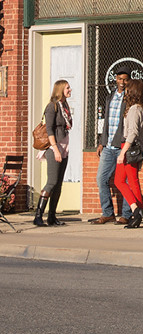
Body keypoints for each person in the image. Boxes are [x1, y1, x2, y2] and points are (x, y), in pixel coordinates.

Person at [93, 66, 133, 225]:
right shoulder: (110, 97)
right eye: (120, 79)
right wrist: (102, 142)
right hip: (108, 147)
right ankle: (108, 212)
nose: (122, 82)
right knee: (101, 179)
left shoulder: (129, 98)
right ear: (115, 79)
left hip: (122, 146)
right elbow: (107, 121)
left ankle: (126, 214)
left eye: (125, 79)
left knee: (125, 181)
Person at [34, 80, 73, 227]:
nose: (70, 90)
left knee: (58, 185)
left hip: (64, 147)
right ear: (60, 89)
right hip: (53, 147)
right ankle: (38, 215)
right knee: (52, 182)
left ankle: (52, 216)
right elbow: (49, 129)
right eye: (67, 88)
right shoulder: (52, 106)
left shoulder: (65, 106)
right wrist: (55, 149)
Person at [112, 79, 143, 229]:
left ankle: (136, 210)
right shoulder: (139, 108)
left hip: (128, 146)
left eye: (127, 89)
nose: (125, 91)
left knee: (124, 181)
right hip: (131, 146)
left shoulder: (134, 109)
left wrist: (123, 152)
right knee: (127, 180)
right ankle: (136, 211)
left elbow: (133, 133)